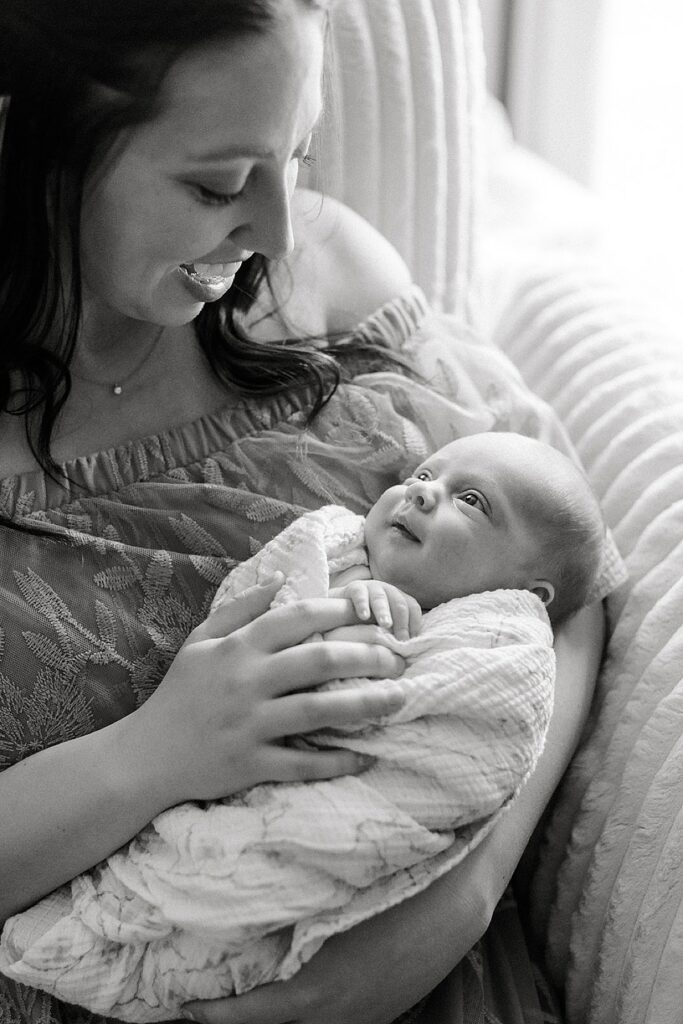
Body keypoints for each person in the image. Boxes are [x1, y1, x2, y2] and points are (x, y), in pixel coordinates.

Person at [0, 2, 623, 1023]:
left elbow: (563, 560)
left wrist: (464, 893)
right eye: (214, 184)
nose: (277, 230)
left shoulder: (326, 273)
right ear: (20, 140)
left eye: (297, 154)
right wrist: (152, 753)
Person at [0, 431, 605, 1020]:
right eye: (421, 476)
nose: (421, 492)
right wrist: (155, 750)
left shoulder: (405, 379)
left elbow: (579, 599)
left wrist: (469, 889)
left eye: (469, 500)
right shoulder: (355, 550)